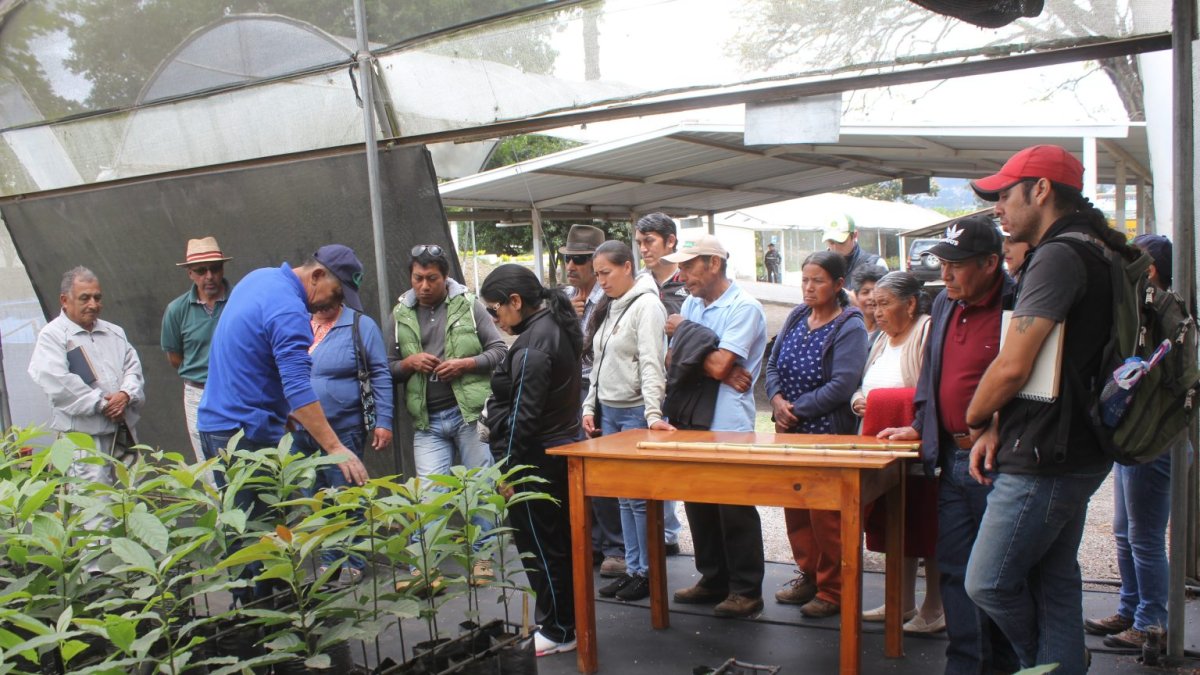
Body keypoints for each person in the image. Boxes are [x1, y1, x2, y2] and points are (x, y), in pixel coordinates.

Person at [962, 145, 1132, 673]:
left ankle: (1042, 662)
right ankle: (1060, 663)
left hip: (1045, 453)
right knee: (1056, 579)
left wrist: (973, 418)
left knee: (986, 581)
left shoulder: (1058, 256)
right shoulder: (1097, 248)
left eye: (1005, 195)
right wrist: (997, 423)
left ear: (1041, 191)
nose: (998, 208)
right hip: (1074, 444)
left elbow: (1014, 366)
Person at [877, 214, 1019, 674]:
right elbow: (932, 375)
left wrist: (1001, 421)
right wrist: (921, 424)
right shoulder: (944, 305)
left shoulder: (1017, 302)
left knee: (997, 578)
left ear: (992, 262)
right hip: (953, 458)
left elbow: (1031, 379)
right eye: (942, 263)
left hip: (998, 460)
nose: (945, 274)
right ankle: (963, 667)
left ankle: (1004, 665)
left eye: (957, 265)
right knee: (955, 570)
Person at [198, 245, 369, 602]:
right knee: (250, 531)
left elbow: (249, 354)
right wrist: (336, 448)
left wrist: (282, 411)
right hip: (239, 433)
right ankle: (255, 619)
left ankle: (265, 601)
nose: (329, 305)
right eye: (335, 294)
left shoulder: (259, 278)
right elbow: (296, 384)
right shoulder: (290, 310)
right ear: (318, 276)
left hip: (221, 423)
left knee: (253, 525)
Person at [1084, 233, 1185, 650]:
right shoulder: (1144, 312)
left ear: (1150, 271)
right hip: (1135, 435)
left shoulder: (1165, 315)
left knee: (1142, 534)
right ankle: (1131, 610)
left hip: (1152, 436)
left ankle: (1150, 621)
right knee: (1125, 531)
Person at [481, 264, 584, 657]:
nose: (495, 319)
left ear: (516, 302)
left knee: (542, 546)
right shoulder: (551, 329)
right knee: (555, 544)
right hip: (551, 453)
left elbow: (525, 416)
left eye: (495, 310)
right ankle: (563, 623)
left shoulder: (535, 343)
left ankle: (559, 628)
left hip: (534, 461)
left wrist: (507, 470)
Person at [664, 234, 768, 619]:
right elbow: (672, 361)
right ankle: (713, 577)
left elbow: (723, 366)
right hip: (693, 415)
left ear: (714, 264)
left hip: (728, 420)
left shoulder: (745, 307)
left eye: (690, 265)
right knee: (698, 500)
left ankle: (746, 589)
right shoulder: (691, 303)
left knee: (734, 504)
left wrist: (687, 337)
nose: (682, 273)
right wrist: (704, 353)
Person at [392, 244, 507, 584]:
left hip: (469, 415)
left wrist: (466, 364)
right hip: (427, 420)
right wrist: (408, 363)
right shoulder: (400, 314)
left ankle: (483, 558)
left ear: (445, 278)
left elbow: (500, 351)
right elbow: (386, 367)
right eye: (417, 278)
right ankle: (424, 565)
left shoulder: (468, 305)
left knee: (481, 487)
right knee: (429, 493)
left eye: (432, 278)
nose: (424, 286)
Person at [764, 250, 868, 619]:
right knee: (796, 511)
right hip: (788, 430)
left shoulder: (850, 326)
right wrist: (776, 401)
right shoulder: (796, 315)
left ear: (839, 285)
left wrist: (797, 410)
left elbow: (842, 384)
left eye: (818, 280)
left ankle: (835, 588)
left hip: (826, 433)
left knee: (827, 517)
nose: (808, 287)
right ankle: (809, 575)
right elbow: (772, 363)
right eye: (805, 279)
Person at [581, 241, 673, 602]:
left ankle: (646, 572)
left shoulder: (647, 305)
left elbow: (652, 362)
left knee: (638, 500)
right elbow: (598, 363)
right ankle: (634, 568)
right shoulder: (613, 305)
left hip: (635, 410)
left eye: (606, 272)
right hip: (610, 409)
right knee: (623, 497)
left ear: (627, 267)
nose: (600, 280)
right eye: (598, 273)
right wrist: (590, 407)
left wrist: (653, 414)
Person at [850, 272, 941, 633]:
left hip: (917, 448)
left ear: (911, 304)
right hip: (883, 448)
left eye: (885, 304)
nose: (879, 312)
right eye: (874, 304)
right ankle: (900, 602)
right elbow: (865, 383)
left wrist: (879, 403)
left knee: (926, 525)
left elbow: (930, 390)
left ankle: (934, 608)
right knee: (897, 522)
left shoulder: (927, 331)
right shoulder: (881, 340)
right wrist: (861, 400)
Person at [29, 267, 144, 540]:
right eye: (85, 298)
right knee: (94, 511)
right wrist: (101, 404)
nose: (93, 304)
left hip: (122, 433)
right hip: (84, 439)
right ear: (64, 300)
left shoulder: (114, 333)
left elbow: (133, 369)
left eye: (97, 297)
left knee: (131, 501)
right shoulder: (53, 336)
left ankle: (131, 570)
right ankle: (98, 577)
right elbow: (56, 381)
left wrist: (125, 395)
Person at [292, 298, 394, 585]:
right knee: (316, 496)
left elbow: (380, 374)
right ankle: (329, 559)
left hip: (343, 429)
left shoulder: (359, 325)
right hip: (301, 431)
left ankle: (352, 560)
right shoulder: (298, 322)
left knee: (346, 495)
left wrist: (383, 421)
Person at [561, 225, 626, 579]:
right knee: (579, 471)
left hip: (600, 389)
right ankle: (596, 544)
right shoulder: (565, 296)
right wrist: (565, 317)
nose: (572, 265)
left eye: (581, 259)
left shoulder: (612, 297)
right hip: (571, 389)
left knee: (603, 473)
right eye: (568, 258)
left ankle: (616, 547)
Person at [633, 212, 687, 552]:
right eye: (639, 243)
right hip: (642, 385)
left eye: (649, 241)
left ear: (671, 242)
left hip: (679, 386)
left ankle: (667, 535)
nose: (643, 250)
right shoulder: (637, 283)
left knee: (671, 463)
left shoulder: (689, 283)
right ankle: (655, 534)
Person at [161, 236, 232, 467]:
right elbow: (175, 357)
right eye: (201, 270)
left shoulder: (239, 300)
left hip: (238, 389)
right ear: (190, 273)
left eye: (214, 268)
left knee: (243, 456)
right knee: (207, 462)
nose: (209, 276)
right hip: (198, 393)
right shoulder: (177, 309)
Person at [823, 214, 887, 292]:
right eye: (831, 242)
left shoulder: (875, 264)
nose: (835, 248)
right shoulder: (820, 266)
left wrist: (852, 300)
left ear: (854, 235)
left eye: (841, 242)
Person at [852, 267, 885, 338]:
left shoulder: (890, 331)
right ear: (856, 296)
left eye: (876, 292)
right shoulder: (850, 330)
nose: (872, 297)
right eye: (865, 292)